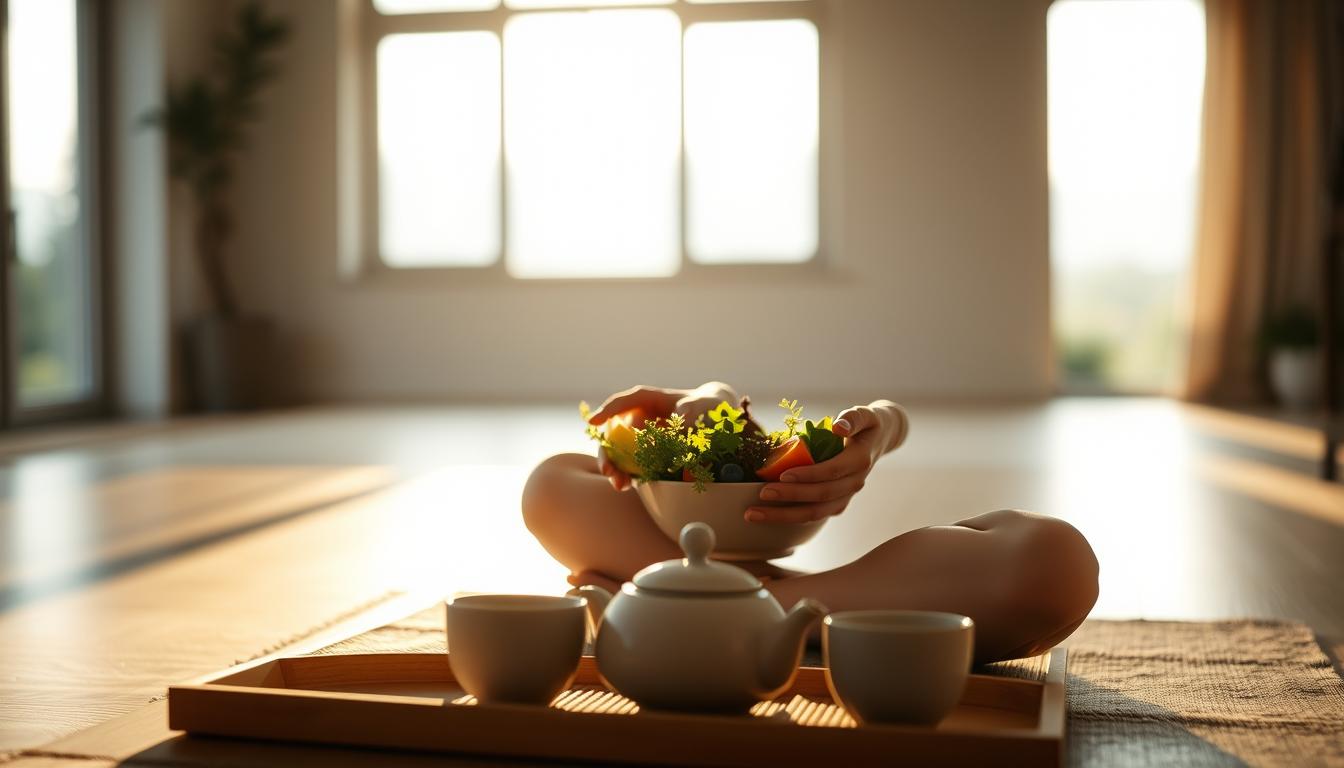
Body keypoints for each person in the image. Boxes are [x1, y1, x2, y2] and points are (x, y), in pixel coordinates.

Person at [522, 381, 1099, 663]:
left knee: (1053, 561)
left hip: (763, 576)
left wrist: (879, 431)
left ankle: (713, 607)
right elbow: (727, 418)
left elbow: (880, 421)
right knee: (548, 486)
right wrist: (708, 392)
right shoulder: (691, 443)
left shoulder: (797, 448)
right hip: (692, 546)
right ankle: (750, 604)